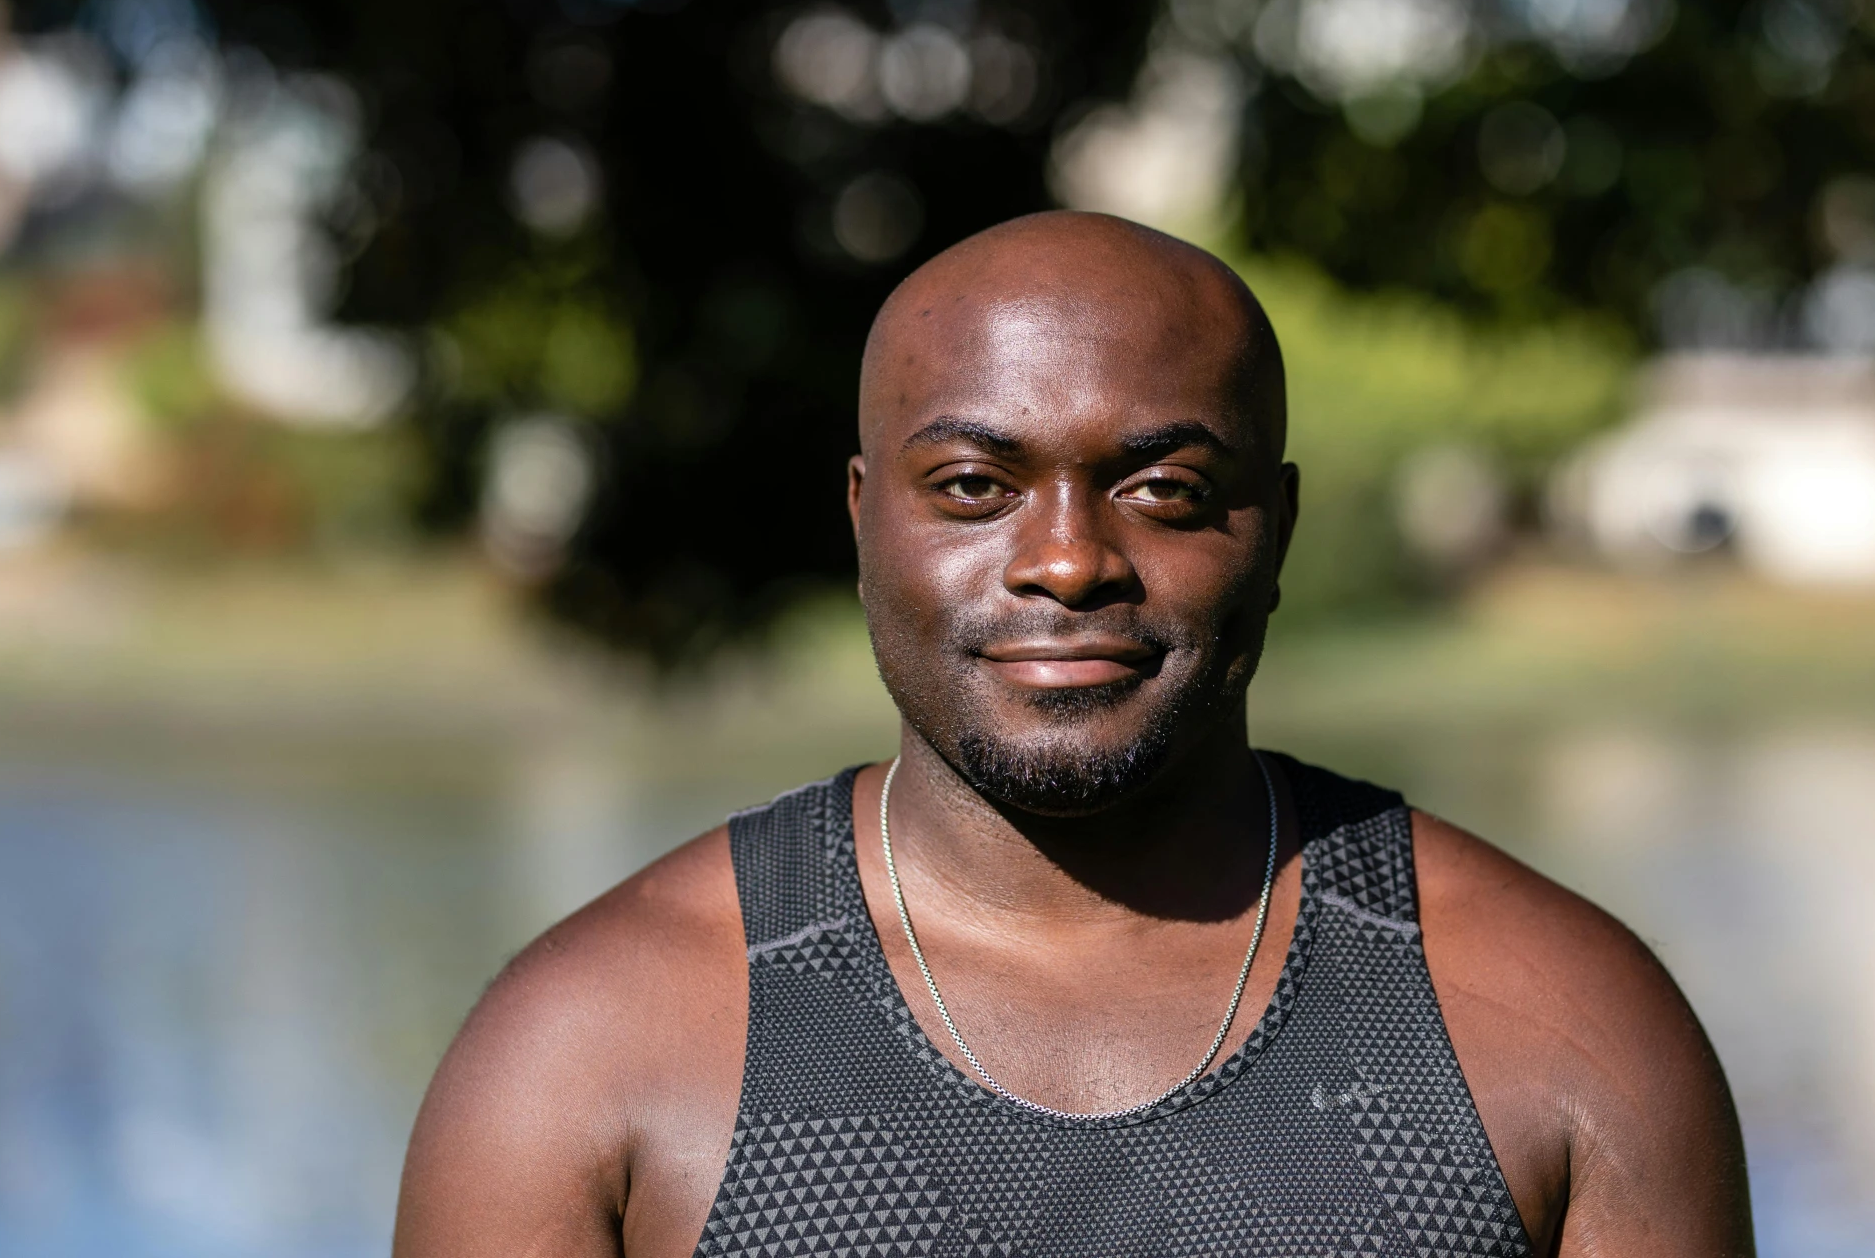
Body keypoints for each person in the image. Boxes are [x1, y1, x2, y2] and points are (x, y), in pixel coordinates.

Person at [394, 212, 1754, 1257]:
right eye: (975, 485)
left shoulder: (1558, 1022)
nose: (1064, 559)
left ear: (1270, 528)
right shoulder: (583, 1048)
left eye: (1164, 488)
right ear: (867, 519)